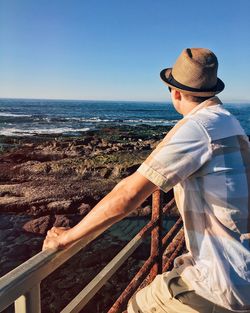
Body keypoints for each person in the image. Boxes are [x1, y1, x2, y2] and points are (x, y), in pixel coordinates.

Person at [42, 48, 250, 313]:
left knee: (138, 305)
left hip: (223, 286)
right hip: (240, 270)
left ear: (175, 92)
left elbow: (128, 194)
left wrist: (67, 238)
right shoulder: (231, 123)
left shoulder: (198, 127)